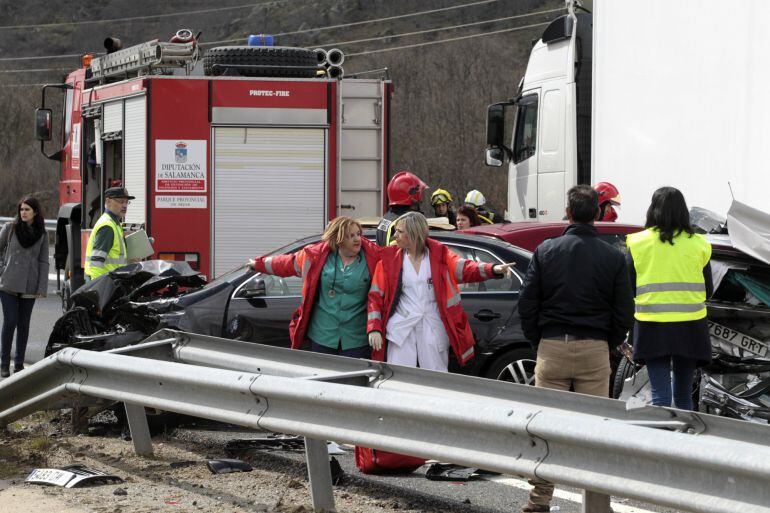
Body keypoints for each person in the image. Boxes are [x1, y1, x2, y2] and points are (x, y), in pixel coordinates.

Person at [517, 184, 634, 513]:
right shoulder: (614, 256)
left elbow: (528, 304)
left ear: (567, 213)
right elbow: (623, 310)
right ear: (597, 214)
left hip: (552, 347)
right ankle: (597, 506)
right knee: (595, 433)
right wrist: (607, 344)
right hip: (594, 350)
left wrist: (538, 341)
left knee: (546, 429)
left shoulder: (546, 251)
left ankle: (539, 501)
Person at [367, 212, 513, 371]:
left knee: (435, 377)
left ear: (413, 233)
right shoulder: (389, 260)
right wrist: (374, 328)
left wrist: (492, 269)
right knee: (398, 378)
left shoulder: (439, 255)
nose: (395, 235)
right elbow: (375, 297)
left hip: (432, 326)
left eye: (400, 231)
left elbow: (464, 268)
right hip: (401, 329)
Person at [626, 187, 712, 410]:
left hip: (652, 326)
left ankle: (661, 442)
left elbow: (629, 287)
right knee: (683, 396)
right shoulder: (699, 243)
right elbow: (708, 290)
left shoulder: (637, 243)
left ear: (653, 210)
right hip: (690, 326)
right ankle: (683, 443)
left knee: (660, 396)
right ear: (684, 212)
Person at [248, 216, 380, 357]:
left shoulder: (373, 259)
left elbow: (380, 294)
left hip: (356, 339)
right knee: (323, 377)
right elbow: (287, 263)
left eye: (358, 234)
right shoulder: (316, 257)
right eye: (351, 236)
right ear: (338, 239)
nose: (357, 239)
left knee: (354, 378)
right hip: (322, 336)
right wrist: (258, 264)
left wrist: (374, 327)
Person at [0, 197, 49, 377]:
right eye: (21, 209)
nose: (23, 212)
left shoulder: (42, 234)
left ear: (35, 212)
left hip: (29, 284)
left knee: (23, 324)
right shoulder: (10, 228)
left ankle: (19, 365)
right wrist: (2, 270)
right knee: (10, 321)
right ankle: (4, 363)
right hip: (8, 283)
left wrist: (41, 287)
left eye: (27, 209)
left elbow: (44, 262)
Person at [85, 187, 135, 281]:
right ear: (108, 202)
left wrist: (128, 262)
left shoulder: (114, 223)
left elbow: (113, 258)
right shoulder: (107, 226)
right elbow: (96, 263)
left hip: (109, 281)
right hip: (104, 283)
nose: (124, 205)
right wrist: (99, 289)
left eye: (126, 202)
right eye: (121, 201)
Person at [376, 170, 427, 246]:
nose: (421, 200)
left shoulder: (386, 218)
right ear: (412, 197)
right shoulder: (404, 224)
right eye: (419, 195)